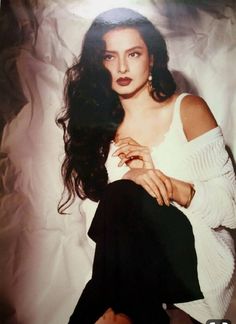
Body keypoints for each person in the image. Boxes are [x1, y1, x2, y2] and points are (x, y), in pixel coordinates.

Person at [56, 7, 236, 324]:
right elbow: (101, 234)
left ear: (152, 58)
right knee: (122, 192)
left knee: (123, 192)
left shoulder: (188, 110)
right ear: (98, 63)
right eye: (110, 56)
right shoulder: (98, 134)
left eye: (134, 53)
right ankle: (124, 315)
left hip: (193, 269)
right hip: (134, 280)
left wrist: (164, 183)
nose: (122, 66)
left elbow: (231, 209)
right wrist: (130, 178)